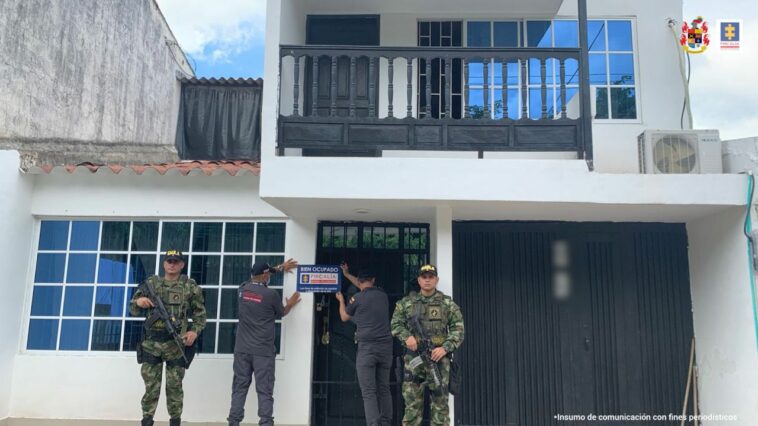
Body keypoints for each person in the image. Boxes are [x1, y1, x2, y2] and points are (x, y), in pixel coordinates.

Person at [130, 249, 207, 426]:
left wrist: (194, 331)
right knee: (151, 388)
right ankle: (147, 420)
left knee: (175, 388)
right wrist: (138, 302)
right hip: (151, 344)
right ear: (164, 263)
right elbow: (132, 309)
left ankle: (175, 421)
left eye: (176, 261)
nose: (172, 264)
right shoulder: (151, 284)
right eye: (169, 261)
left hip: (176, 344)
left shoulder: (190, 286)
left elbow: (200, 314)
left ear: (182, 264)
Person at [227, 259, 301, 426]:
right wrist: (289, 304)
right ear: (265, 275)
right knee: (265, 391)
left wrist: (277, 268)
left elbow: (258, 276)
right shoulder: (271, 295)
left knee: (239, 387)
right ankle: (266, 423)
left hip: (242, 350)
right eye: (268, 274)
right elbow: (281, 313)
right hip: (263, 352)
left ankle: (233, 422)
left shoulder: (242, 290)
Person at [390, 264, 464, 426]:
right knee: (412, 407)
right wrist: (407, 337)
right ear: (419, 280)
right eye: (424, 277)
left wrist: (445, 348)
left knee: (440, 407)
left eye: (431, 277)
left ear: (436, 280)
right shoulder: (406, 303)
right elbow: (395, 324)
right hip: (414, 360)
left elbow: (458, 329)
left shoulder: (447, 304)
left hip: (439, 361)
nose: (428, 280)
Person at [335, 264, 393, 426]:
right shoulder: (382, 294)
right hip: (386, 348)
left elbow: (344, 317)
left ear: (359, 282)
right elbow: (363, 286)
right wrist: (347, 274)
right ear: (373, 280)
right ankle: (386, 422)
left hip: (367, 349)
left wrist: (341, 300)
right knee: (384, 388)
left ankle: (374, 424)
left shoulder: (357, 299)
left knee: (369, 392)